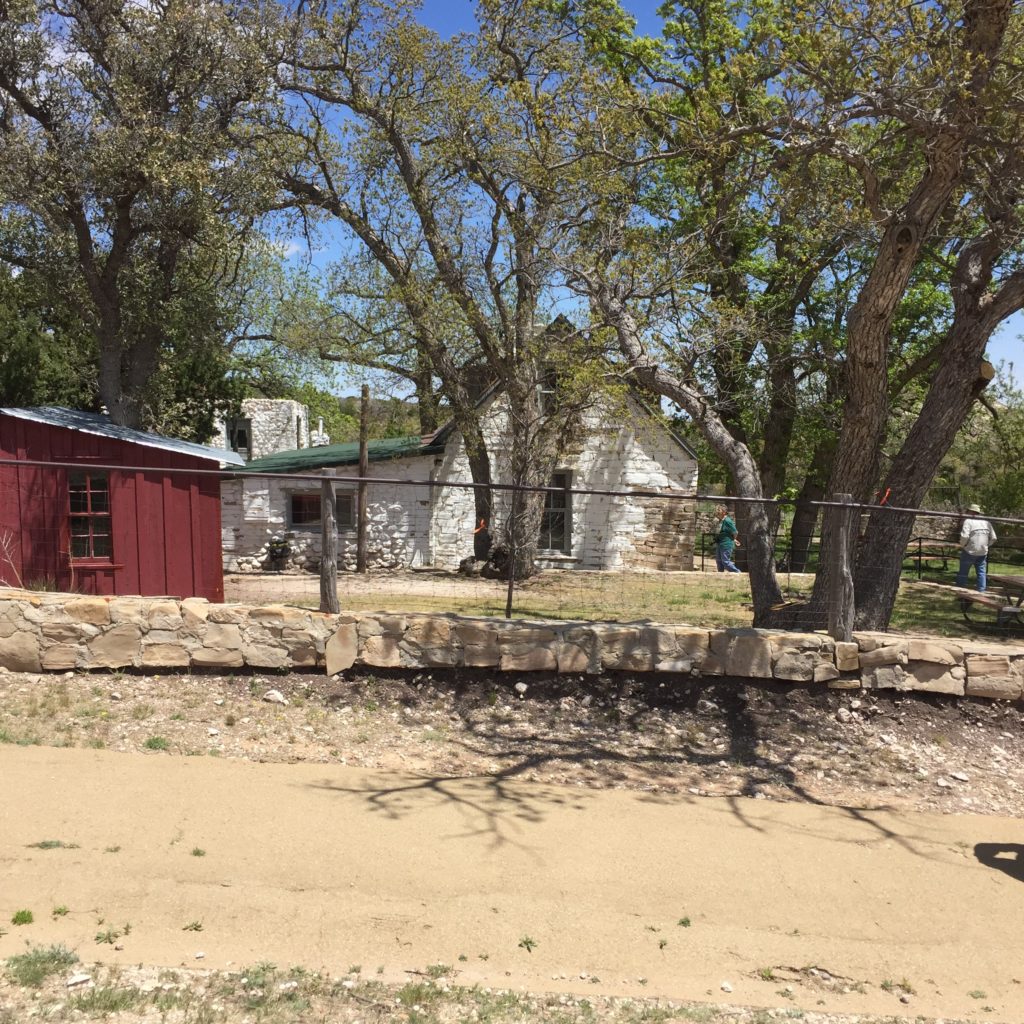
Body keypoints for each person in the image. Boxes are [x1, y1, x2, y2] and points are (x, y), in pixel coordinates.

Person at [957, 503, 997, 592]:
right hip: (983, 552)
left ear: (971, 512)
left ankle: (960, 589)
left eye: (968, 511)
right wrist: (987, 546)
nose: (966, 512)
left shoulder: (968, 521)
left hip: (969, 550)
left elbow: (964, 536)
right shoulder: (987, 522)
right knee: (981, 572)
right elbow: (994, 538)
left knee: (963, 572)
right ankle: (981, 591)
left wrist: (963, 545)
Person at [713, 504, 741, 573]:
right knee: (719, 561)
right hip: (720, 543)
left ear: (724, 512)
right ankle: (721, 575)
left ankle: (737, 572)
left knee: (725, 562)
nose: (717, 511)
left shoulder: (727, 521)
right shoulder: (721, 520)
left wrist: (733, 539)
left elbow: (735, 532)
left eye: (719, 510)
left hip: (726, 544)